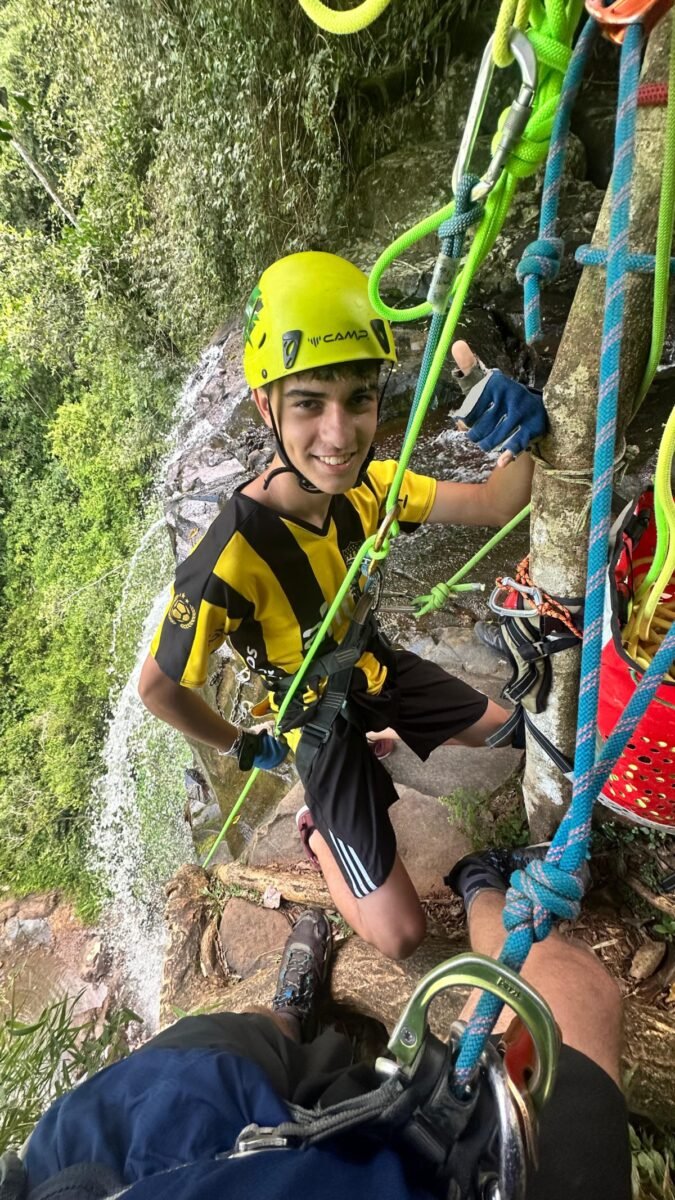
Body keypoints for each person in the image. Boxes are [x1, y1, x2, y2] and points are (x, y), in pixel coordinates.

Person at [139, 251, 547, 961]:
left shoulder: (372, 488)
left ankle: (381, 739)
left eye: (358, 398)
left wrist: (517, 427)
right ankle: (319, 832)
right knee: (400, 936)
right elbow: (157, 687)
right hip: (313, 722)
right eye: (308, 402)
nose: (338, 434)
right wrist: (241, 745)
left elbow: (499, 499)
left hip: (375, 670)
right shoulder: (227, 557)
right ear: (265, 405)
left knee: (516, 736)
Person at [15, 845, 631, 1200]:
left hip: (88, 1146)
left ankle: (289, 1009)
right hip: (399, 1177)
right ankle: (479, 882)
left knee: (248, 1027)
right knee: (570, 992)